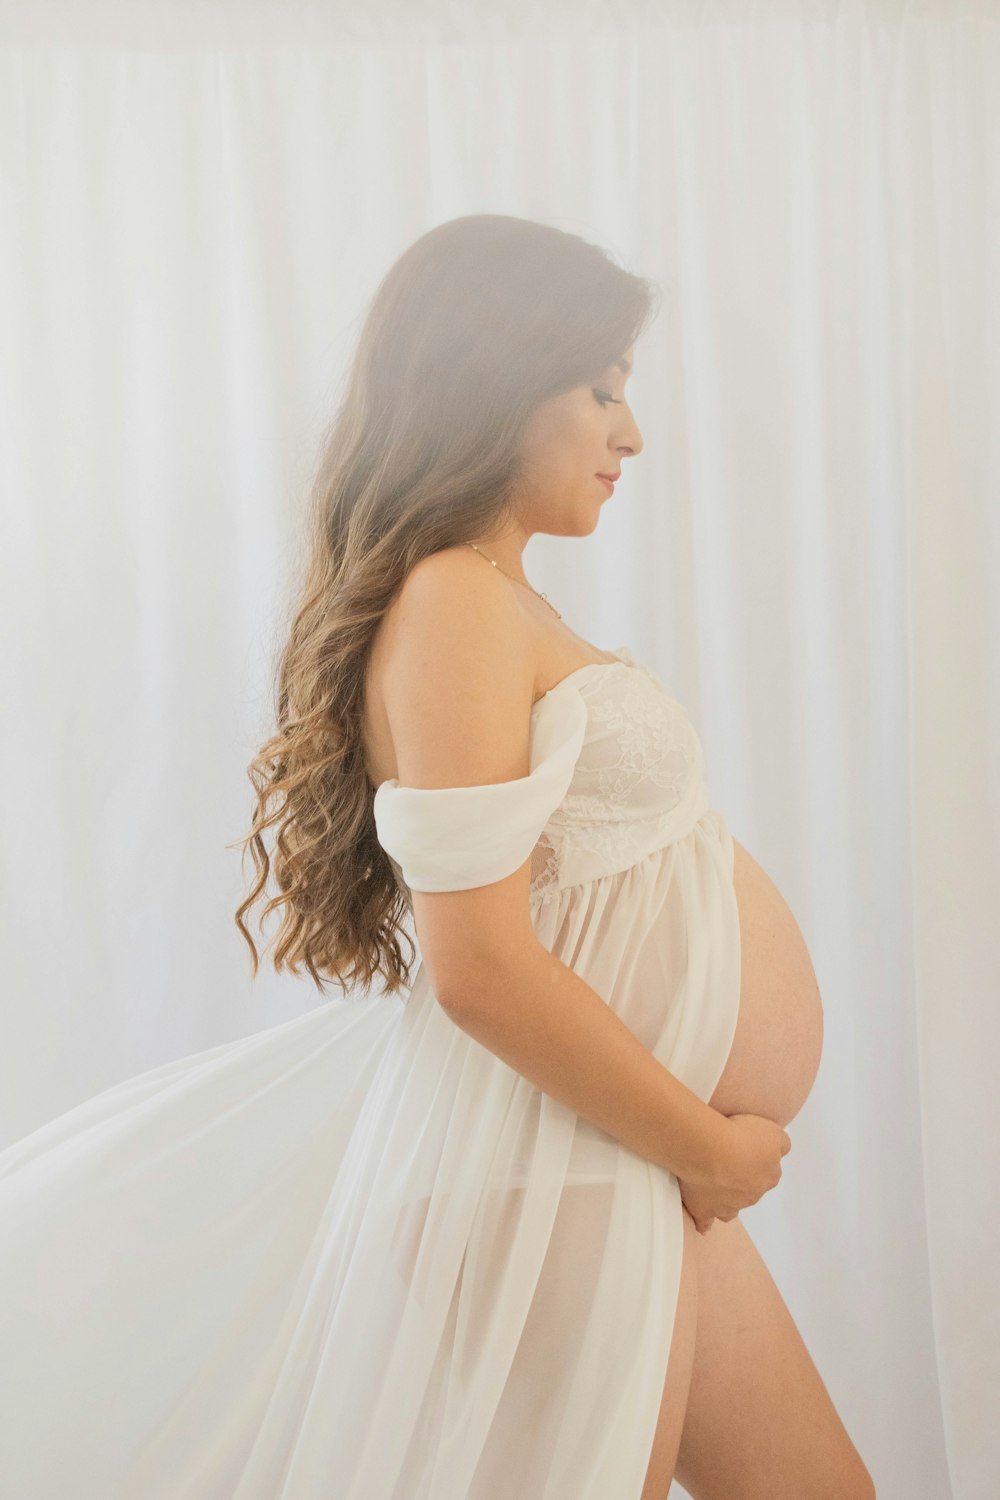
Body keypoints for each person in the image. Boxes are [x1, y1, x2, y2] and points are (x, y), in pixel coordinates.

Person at [0, 215, 867, 1499]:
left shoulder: (494, 597)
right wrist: (703, 1145)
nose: (630, 433)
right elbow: (480, 969)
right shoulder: (455, 599)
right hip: (554, 1167)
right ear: (491, 380)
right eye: (603, 390)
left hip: (598, 1157)